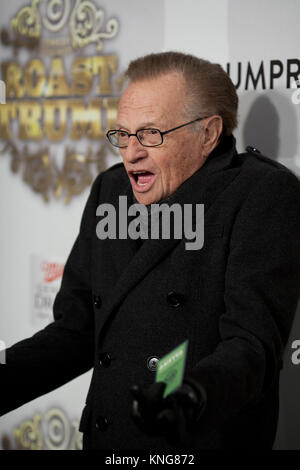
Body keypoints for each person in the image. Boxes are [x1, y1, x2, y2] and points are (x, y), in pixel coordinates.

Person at [1, 51, 300, 450]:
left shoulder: (261, 194)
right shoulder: (110, 191)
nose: (130, 153)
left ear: (208, 134)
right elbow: (75, 333)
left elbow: (250, 347)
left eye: (150, 134)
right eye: (123, 134)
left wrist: (193, 398)